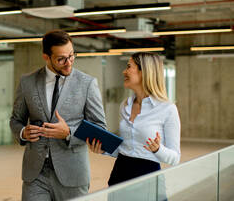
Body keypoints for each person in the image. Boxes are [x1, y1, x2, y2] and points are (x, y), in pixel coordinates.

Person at [10, 29, 107, 201]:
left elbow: (99, 128)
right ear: (46, 57)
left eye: (71, 55)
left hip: (72, 173)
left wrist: (69, 133)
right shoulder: (27, 82)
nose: (69, 63)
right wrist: (23, 132)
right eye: (61, 59)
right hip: (35, 173)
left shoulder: (87, 84)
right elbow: (16, 120)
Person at [87, 52, 181, 187]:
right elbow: (126, 148)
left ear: (144, 72)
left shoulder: (168, 109)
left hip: (147, 176)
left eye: (129, 67)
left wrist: (157, 149)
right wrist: (104, 150)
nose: (124, 71)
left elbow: (175, 158)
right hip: (120, 173)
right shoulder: (125, 105)